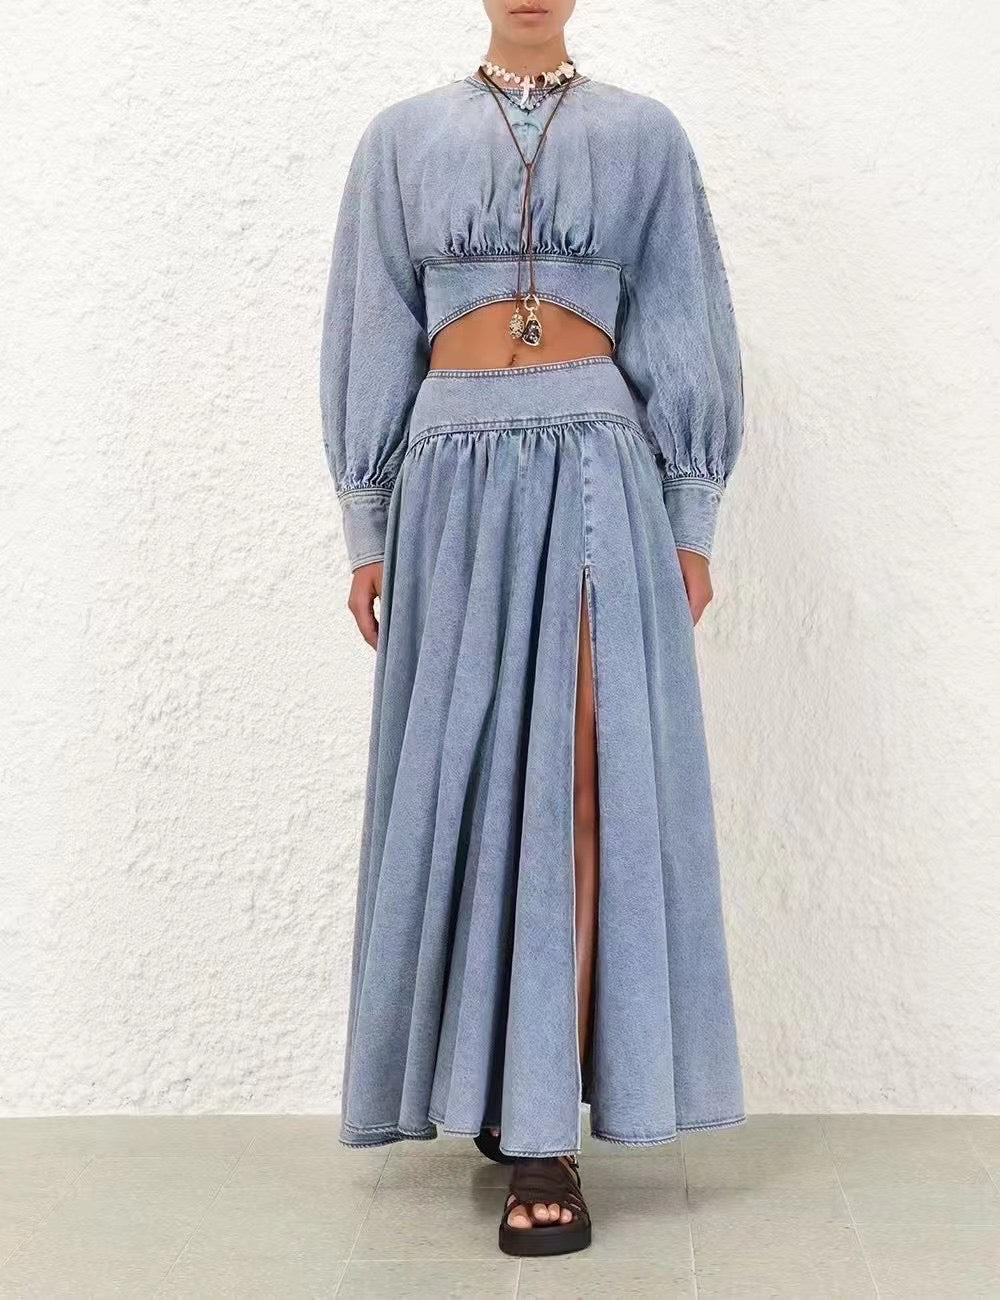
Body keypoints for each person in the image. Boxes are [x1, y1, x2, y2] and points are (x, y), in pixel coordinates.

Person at [319, 0, 745, 1258]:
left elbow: (683, 313)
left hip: (599, 470)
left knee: (579, 778)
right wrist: (366, 522)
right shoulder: (400, 138)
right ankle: (497, 1082)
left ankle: (547, 1133)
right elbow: (370, 325)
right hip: (449, 477)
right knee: (464, 784)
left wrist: (690, 514)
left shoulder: (644, 134)